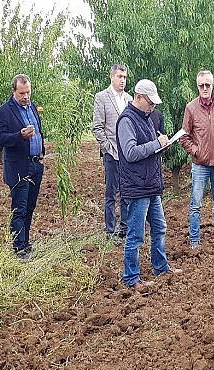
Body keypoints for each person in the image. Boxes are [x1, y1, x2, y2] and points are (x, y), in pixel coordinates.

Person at [116, 79, 182, 289]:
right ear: (139, 97)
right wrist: (156, 144)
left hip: (151, 185)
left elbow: (148, 149)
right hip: (137, 187)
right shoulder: (126, 120)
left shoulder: (146, 118)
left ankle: (161, 267)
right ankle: (131, 278)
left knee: (160, 227)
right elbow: (131, 152)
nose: (153, 106)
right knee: (135, 235)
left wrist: (163, 144)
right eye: (150, 102)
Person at [180, 70, 214, 249]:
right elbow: (184, 136)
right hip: (200, 165)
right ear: (197, 86)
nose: (204, 88)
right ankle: (194, 240)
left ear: (212, 86)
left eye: (207, 85)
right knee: (196, 204)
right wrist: (195, 151)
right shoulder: (191, 108)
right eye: (201, 85)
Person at [0, 74, 45, 260]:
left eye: (28, 92)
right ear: (14, 91)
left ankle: (26, 242)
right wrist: (19, 135)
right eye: (22, 93)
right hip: (18, 168)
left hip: (36, 164)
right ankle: (18, 248)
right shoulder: (4, 111)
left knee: (30, 207)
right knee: (19, 209)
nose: (26, 96)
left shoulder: (33, 107)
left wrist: (42, 153)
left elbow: (39, 132)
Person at [93, 64, 133, 239]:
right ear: (112, 77)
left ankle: (124, 227)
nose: (122, 80)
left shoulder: (130, 100)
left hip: (128, 155)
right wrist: (108, 148)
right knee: (111, 193)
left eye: (124, 77)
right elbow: (97, 128)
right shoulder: (102, 97)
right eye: (119, 76)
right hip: (112, 154)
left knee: (126, 192)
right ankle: (110, 229)